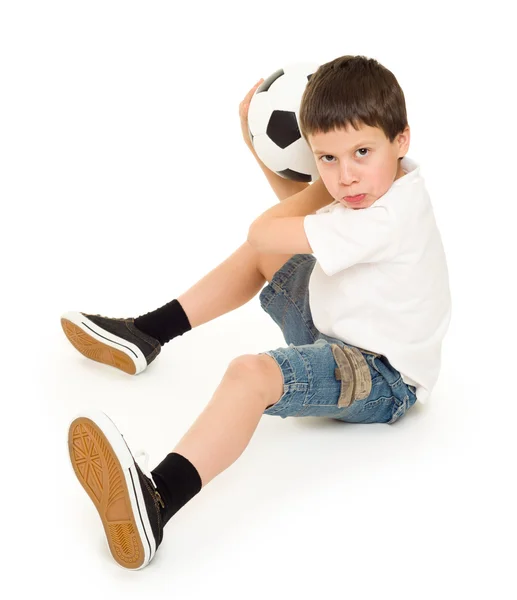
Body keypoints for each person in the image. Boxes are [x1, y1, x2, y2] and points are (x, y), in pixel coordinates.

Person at [62, 54, 452, 570]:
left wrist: (312, 178)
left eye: (360, 152)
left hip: (379, 375)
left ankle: (156, 502)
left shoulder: (382, 219)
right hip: (339, 323)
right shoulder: (390, 183)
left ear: (401, 138)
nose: (345, 176)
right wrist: (261, 153)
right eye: (327, 158)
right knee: (269, 255)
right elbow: (298, 225)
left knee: (250, 374)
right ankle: (146, 334)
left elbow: (269, 226)